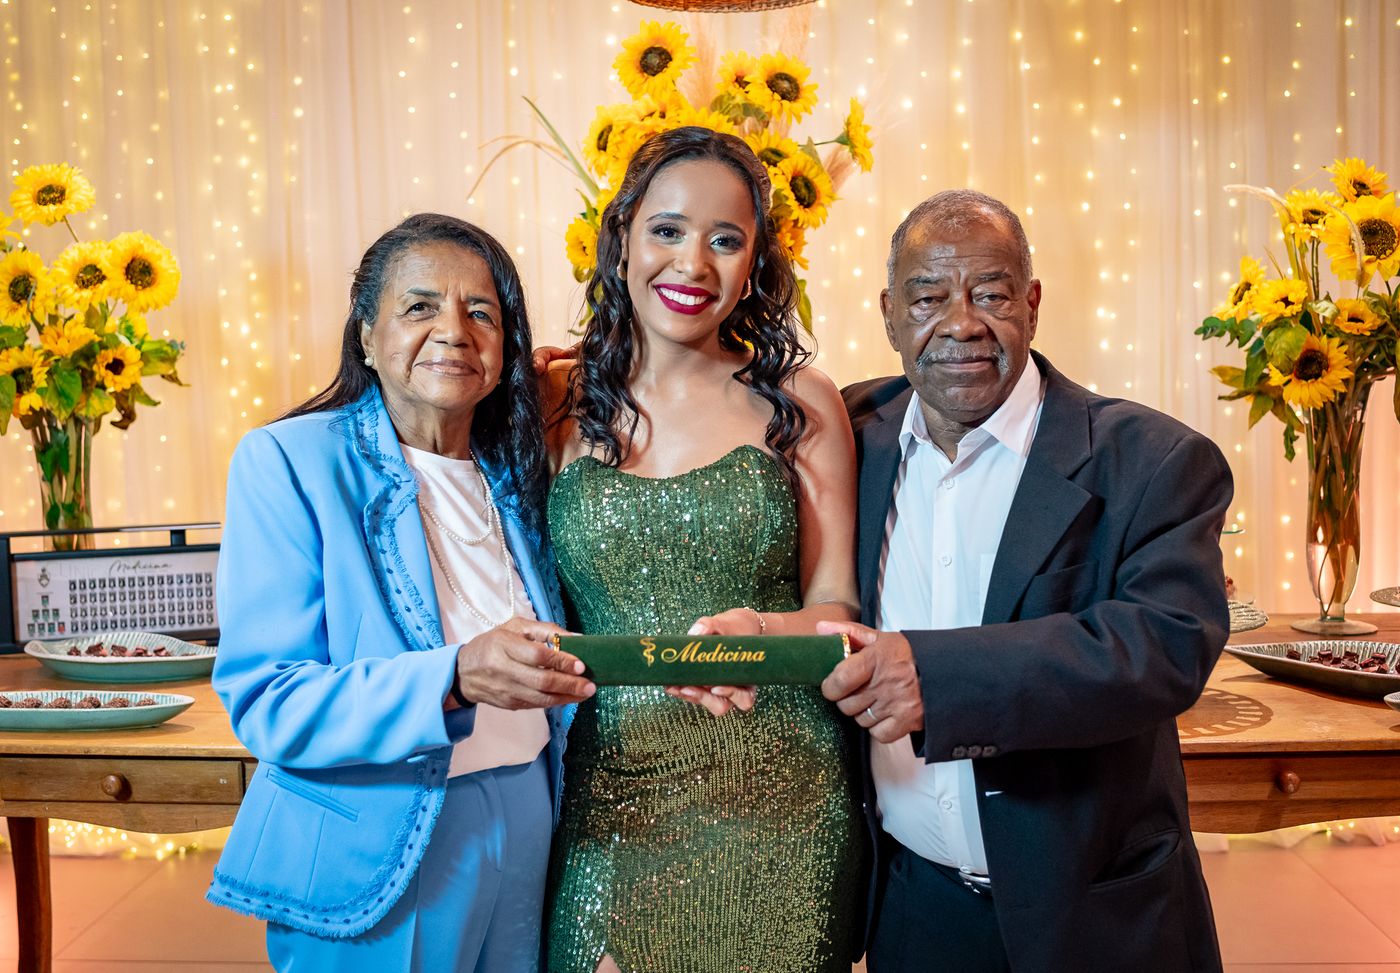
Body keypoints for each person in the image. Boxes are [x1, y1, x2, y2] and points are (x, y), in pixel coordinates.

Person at [820, 189, 1230, 972]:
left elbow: (1166, 644)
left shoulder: (1153, 460)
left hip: (1097, 918)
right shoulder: (850, 433)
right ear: (889, 315)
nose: (961, 323)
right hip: (913, 911)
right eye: (928, 297)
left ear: (1032, 305)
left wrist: (935, 677)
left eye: (991, 293)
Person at [206, 213, 595, 972]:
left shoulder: (520, 472)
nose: (453, 331)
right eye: (420, 306)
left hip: (529, 820)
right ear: (365, 335)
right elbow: (268, 699)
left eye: (482, 313)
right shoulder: (289, 460)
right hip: (377, 831)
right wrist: (455, 676)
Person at [541, 126, 867, 973]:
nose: (692, 263)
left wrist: (759, 630)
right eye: (668, 230)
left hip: (781, 790)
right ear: (622, 238)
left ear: (755, 263)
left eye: (726, 240)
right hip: (615, 796)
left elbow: (837, 607)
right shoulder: (552, 400)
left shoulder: (801, 400)